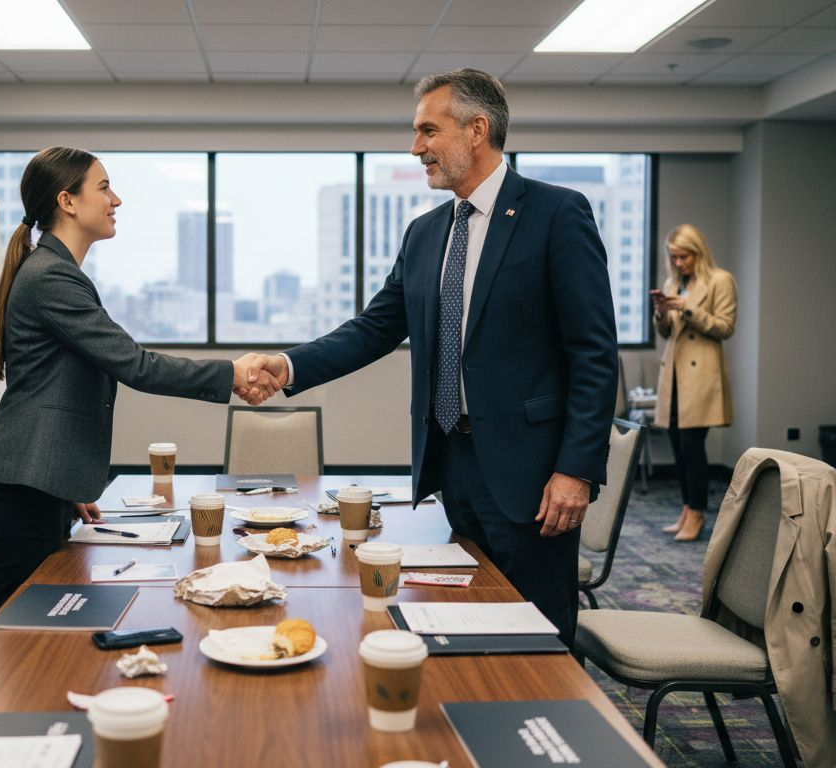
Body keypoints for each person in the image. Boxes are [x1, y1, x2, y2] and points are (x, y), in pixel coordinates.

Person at [241, 69, 617, 646]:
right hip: (452, 465)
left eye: (427, 131)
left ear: (477, 129)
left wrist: (577, 470)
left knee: (540, 638)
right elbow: (374, 328)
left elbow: (592, 353)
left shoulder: (556, 214)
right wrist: (288, 366)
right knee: (464, 623)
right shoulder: (425, 231)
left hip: (535, 475)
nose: (416, 147)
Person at [0, 147, 276, 611]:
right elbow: (134, 364)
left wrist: (64, 485)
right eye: (105, 187)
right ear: (67, 201)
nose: (117, 200)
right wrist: (230, 373)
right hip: (19, 486)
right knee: (23, 632)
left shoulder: (55, 271)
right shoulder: (51, 276)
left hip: (36, 481)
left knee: (49, 623)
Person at [651, 223, 736, 543]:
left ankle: (698, 512)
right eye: (673, 257)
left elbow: (725, 327)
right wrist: (661, 312)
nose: (678, 263)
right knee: (677, 445)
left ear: (698, 253)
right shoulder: (674, 282)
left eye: (683, 257)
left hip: (701, 376)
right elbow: (665, 333)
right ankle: (686, 508)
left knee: (692, 447)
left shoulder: (720, 281)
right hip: (673, 374)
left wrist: (685, 308)